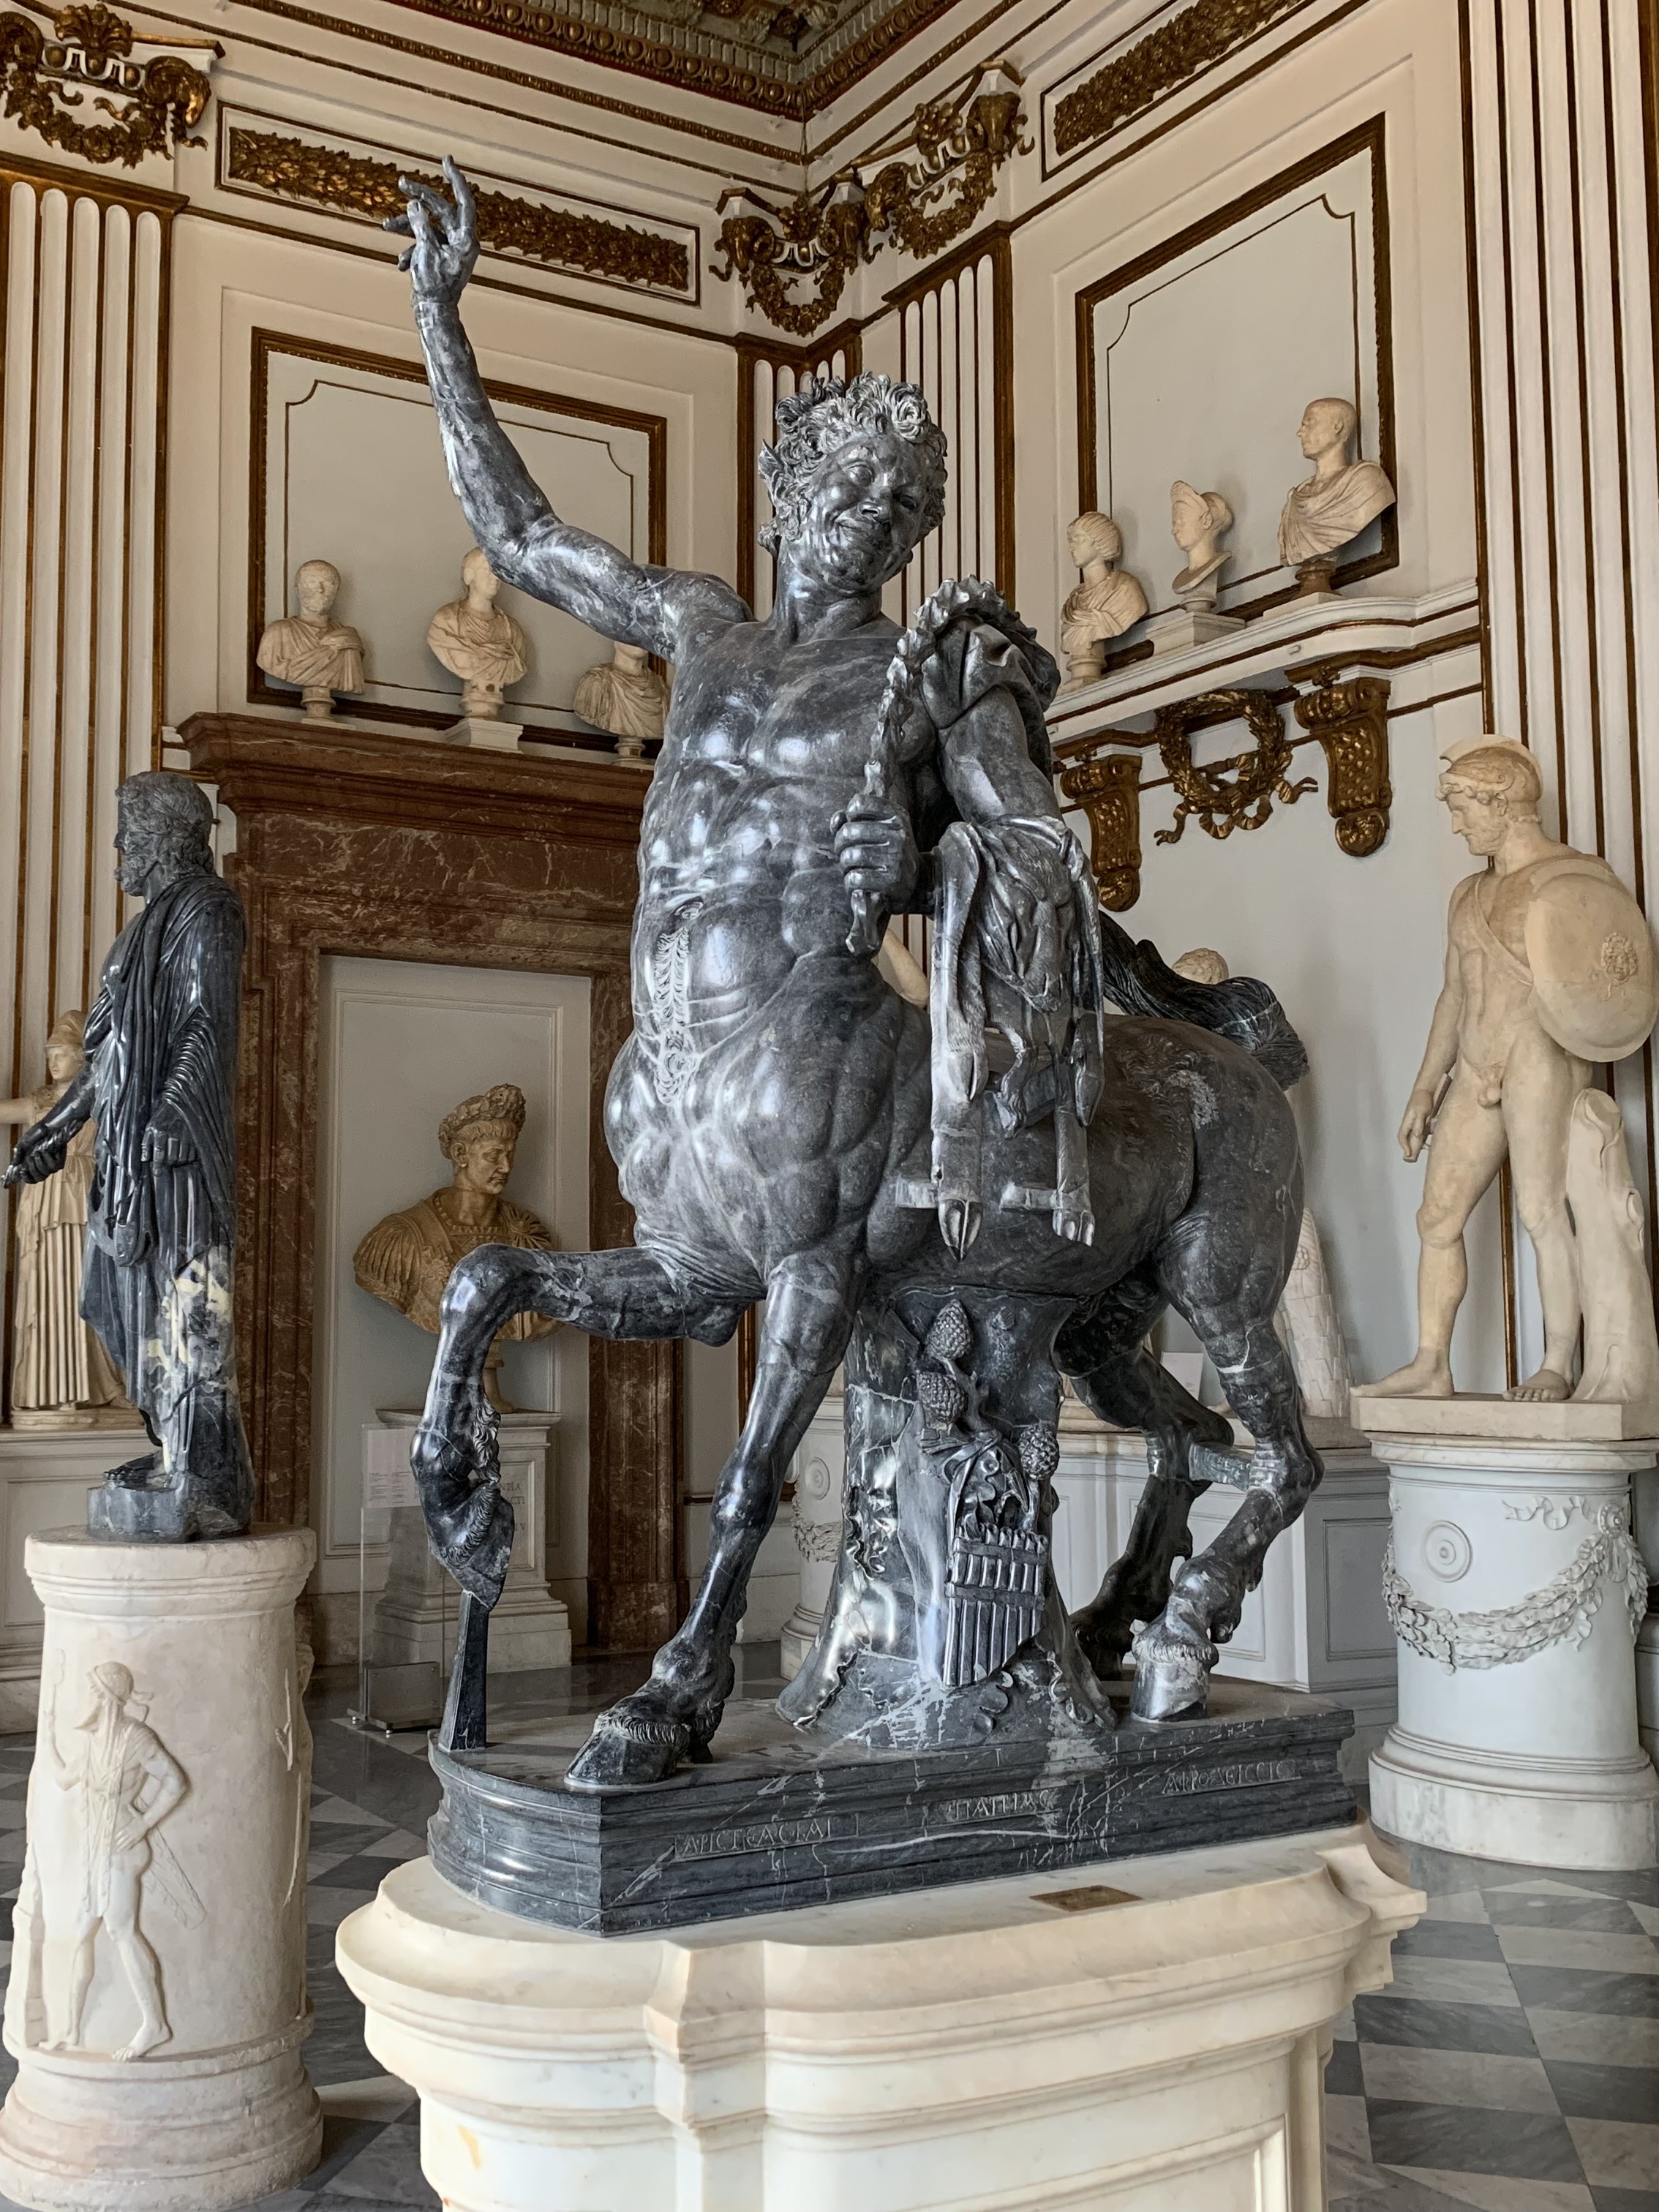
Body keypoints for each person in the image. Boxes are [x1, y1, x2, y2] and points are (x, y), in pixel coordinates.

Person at [4, 772, 254, 1538]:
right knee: (121, 1304)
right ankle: (173, 1451)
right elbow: (107, 1059)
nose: (117, 847)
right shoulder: (138, 933)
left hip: (175, 1154)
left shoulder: (208, 911)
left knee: (189, 1309)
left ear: (168, 838)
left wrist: (175, 1109)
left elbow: (207, 1023)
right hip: (127, 1160)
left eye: (128, 833)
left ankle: (207, 1476)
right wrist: (54, 1131)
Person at [1371, 737, 1653, 1402]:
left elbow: (1610, 972)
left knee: (1542, 1211)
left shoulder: (1576, 880)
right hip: (1473, 1066)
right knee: (1437, 1218)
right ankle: (1432, 1362)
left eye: (1464, 809)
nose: (1457, 825)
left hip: (1539, 1055)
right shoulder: (1468, 893)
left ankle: (1556, 1362)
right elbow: (1453, 994)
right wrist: (1424, 1087)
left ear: (1502, 805)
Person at [353, 1083, 557, 1411]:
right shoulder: (401, 1238)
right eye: (493, 1156)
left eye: (510, 1154)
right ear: (461, 1155)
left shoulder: (529, 1236)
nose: (506, 1167)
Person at [37, 1657, 199, 2062]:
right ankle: (71, 2030)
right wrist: (47, 1733)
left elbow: (175, 1781)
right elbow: (64, 1778)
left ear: (110, 1697)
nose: (89, 1697)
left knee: (122, 1931)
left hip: (122, 1847)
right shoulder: (94, 1742)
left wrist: (144, 1823)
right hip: (94, 1847)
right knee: (81, 1933)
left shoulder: (136, 1738)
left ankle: (155, 2025)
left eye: (95, 1691)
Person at [0, 1011, 129, 1426]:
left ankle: (101, 1387)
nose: (53, 1062)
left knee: (90, 1291)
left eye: (62, 1053)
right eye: (50, 1054)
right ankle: (51, 1391)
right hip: (44, 1204)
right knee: (47, 1291)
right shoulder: (38, 1102)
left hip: (87, 1200)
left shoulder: (104, 1099)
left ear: (82, 1057)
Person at [1277, 397, 1394, 583]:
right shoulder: (1295, 498)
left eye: (1309, 424)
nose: (1300, 433)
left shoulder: (1366, 481)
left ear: (1337, 427)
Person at [426, 546, 529, 720]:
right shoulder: (445, 622)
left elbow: (518, 662)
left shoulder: (513, 631)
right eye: (488, 571)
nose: (495, 578)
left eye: (498, 573)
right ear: (469, 576)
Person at [255, 557, 365, 717]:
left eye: (328, 583)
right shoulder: (278, 633)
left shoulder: (349, 640)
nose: (320, 589)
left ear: (337, 590)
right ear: (297, 589)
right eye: (312, 582)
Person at [1058, 512, 1147, 686]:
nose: (1071, 548)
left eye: (1078, 539)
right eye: (1071, 541)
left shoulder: (1125, 589)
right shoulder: (1072, 603)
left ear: (1099, 540)